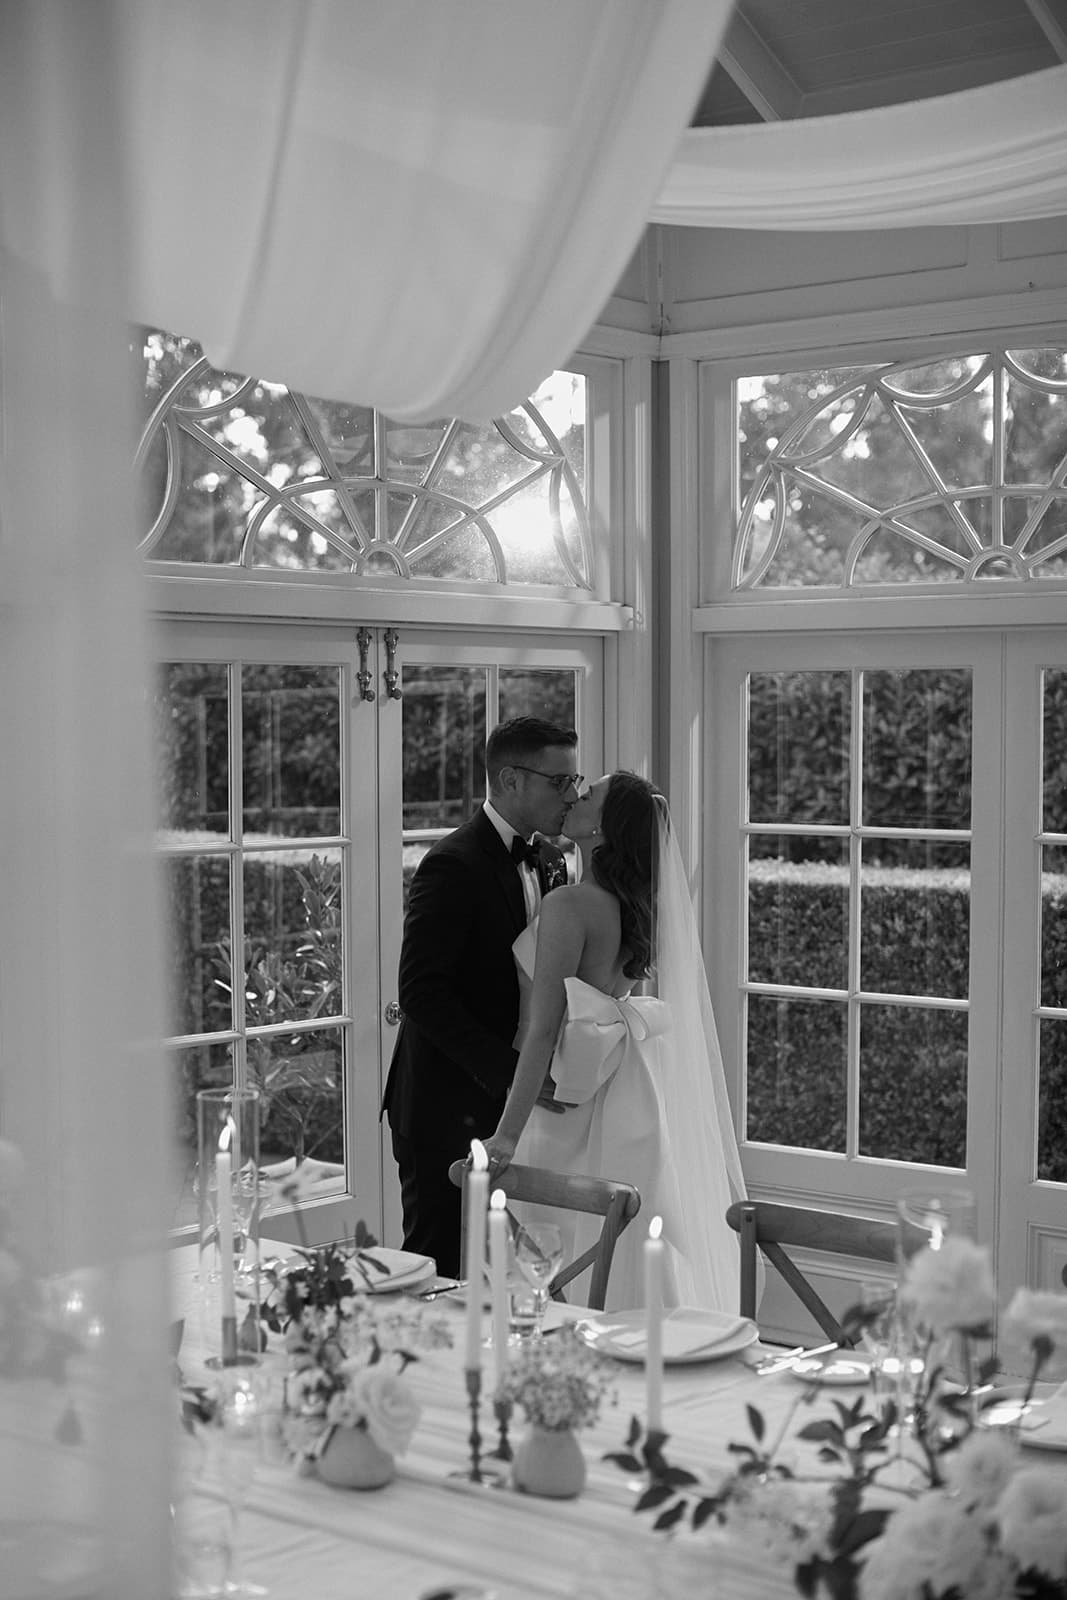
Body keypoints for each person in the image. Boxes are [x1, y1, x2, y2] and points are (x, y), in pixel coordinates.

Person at [482, 771, 746, 1311]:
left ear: (604, 826)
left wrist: (505, 1136)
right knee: (624, 1237)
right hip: (624, 1089)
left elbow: (542, 1028)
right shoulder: (630, 905)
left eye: (590, 793)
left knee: (558, 1241)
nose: (576, 795)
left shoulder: (571, 906)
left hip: (566, 1099)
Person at [382, 715, 579, 1276]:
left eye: (574, 780)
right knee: (440, 1269)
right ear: (512, 780)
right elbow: (422, 993)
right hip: (447, 1105)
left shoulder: (552, 860)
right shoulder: (451, 863)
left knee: (517, 1274)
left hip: (520, 1111)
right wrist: (516, 1074)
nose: (571, 795)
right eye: (558, 781)